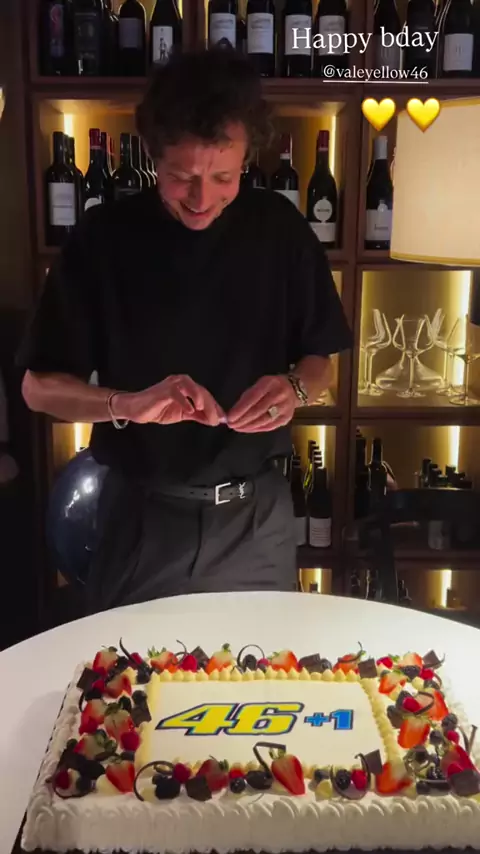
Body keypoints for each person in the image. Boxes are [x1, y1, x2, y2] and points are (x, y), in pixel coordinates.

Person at [18, 49, 352, 613]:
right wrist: (127, 404)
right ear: (153, 157)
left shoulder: (280, 230)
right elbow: (37, 388)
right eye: (181, 178)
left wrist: (294, 388)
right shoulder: (104, 239)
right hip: (141, 520)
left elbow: (322, 363)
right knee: (129, 669)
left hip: (257, 521)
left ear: (247, 158)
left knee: (263, 664)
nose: (201, 199)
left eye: (223, 177)